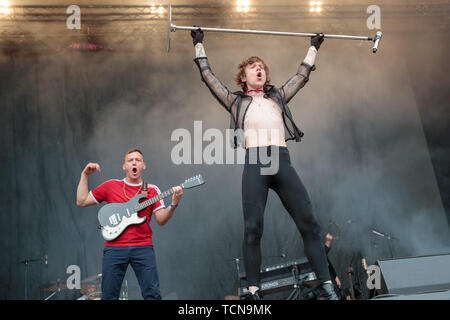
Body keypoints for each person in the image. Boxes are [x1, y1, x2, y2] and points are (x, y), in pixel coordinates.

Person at [190, 28, 338, 300]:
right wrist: (199, 45)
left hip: (281, 160)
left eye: (262, 67)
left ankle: (328, 285)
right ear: (243, 76)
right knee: (253, 227)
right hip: (257, 161)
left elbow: (302, 76)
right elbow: (208, 78)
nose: (259, 69)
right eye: (253, 67)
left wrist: (313, 47)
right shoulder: (235, 101)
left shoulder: (277, 98)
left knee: (309, 223)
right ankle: (254, 291)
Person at [76, 148, 183, 300]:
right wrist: (85, 174)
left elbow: (161, 219)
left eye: (138, 160)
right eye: (130, 160)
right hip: (114, 248)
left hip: (143, 247)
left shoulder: (152, 190)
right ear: (124, 166)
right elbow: (81, 201)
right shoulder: (111, 186)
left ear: (143, 166)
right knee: (109, 296)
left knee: (152, 294)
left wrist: (173, 204)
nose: (134, 163)